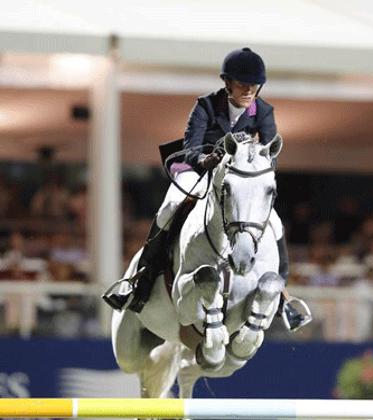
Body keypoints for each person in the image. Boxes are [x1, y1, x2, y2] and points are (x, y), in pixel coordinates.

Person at [103, 47, 310, 331]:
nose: (249, 90)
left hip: (238, 179)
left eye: (254, 85)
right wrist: (205, 159)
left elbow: (269, 156)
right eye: (242, 84)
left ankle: (284, 298)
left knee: (274, 223)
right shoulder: (206, 106)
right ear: (228, 83)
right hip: (199, 170)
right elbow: (190, 146)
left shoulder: (264, 111)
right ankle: (141, 279)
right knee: (171, 206)